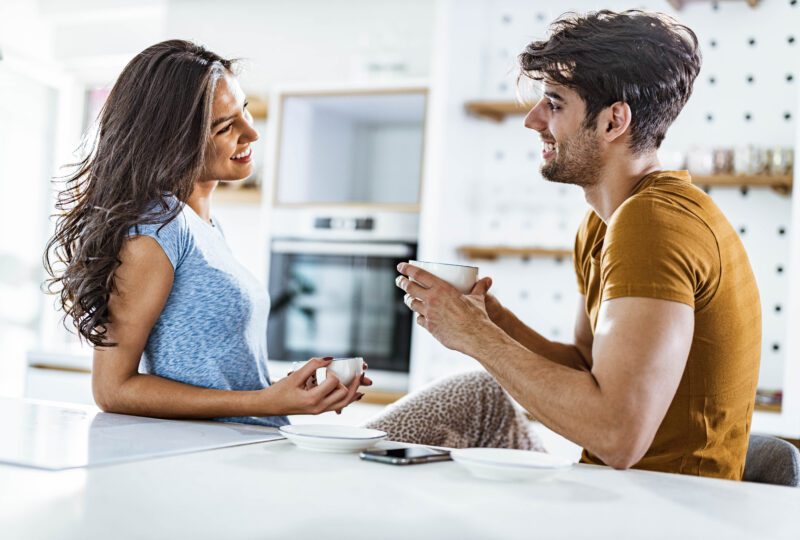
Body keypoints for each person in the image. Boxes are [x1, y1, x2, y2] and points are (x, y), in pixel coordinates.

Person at [44, 40, 538, 447]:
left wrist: (295, 391)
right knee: (480, 396)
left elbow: (219, 373)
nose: (251, 131)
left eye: (243, 111)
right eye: (225, 126)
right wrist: (265, 402)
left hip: (263, 442)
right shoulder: (153, 232)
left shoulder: (202, 227)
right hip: (227, 458)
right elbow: (113, 388)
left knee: (482, 404)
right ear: (172, 139)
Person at [395, 10, 761, 480]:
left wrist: (475, 336)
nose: (532, 121)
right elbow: (587, 369)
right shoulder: (605, 223)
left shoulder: (653, 223)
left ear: (614, 121)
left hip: (665, 512)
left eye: (554, 103)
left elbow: (617, 435)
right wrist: (491, 319)